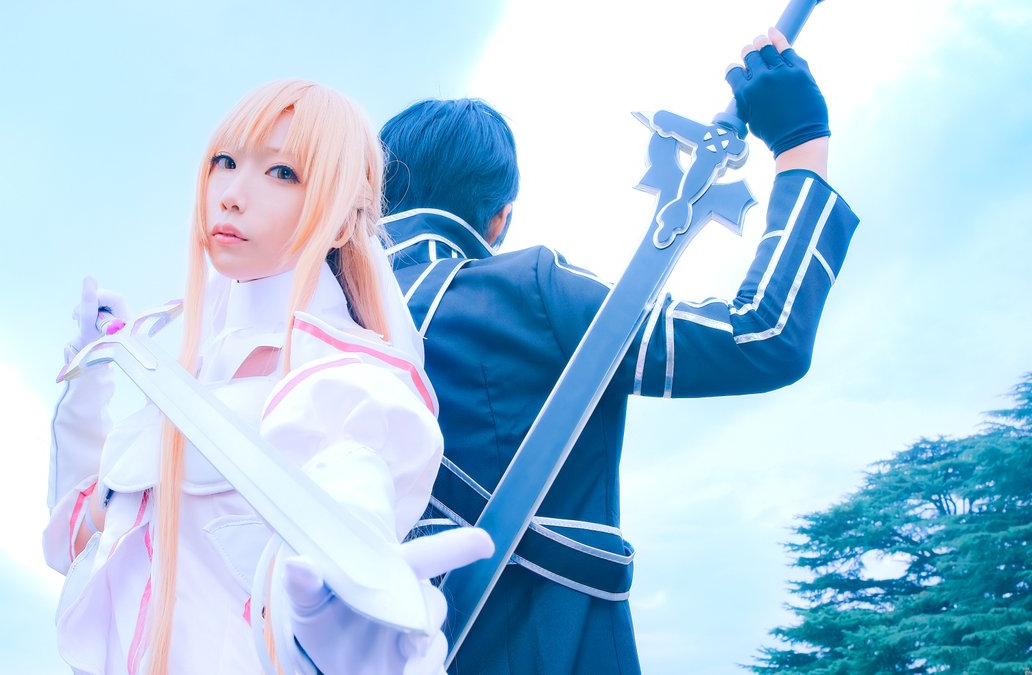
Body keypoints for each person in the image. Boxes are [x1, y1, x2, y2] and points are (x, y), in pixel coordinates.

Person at [378, 28, 859, 674]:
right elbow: (764, 335)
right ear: (500, 219)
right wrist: (802, 140)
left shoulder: (306, 323)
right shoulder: (530, 294)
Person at [44, 79, 491, 675]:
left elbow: (350, 510)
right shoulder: (183, 376)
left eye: (283, 173)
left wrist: (347, 617)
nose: (231, 195)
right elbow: (74, 540)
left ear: (341, 221)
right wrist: (89, 381)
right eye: (225, 162)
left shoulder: (345, 383)